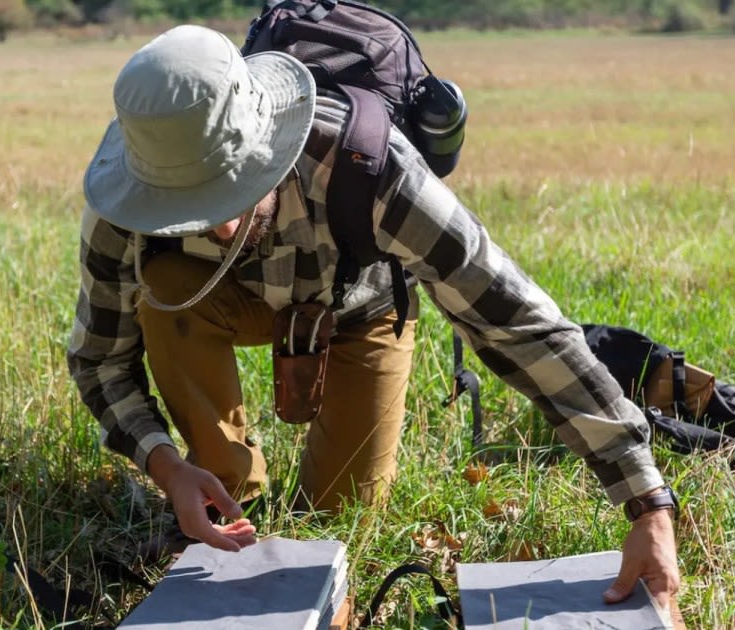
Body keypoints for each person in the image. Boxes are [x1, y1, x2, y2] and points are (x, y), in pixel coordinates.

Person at [67, 24, 681, 617]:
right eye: (190, 214)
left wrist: (647, 501)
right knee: (166, 287)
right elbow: (99, 360)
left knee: (339, 516)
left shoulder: (370, 167)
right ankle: (222, 492)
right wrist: (166, 467)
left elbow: (516, 322)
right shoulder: (126, 203)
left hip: (359, 307)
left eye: (231, 194)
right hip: (209, 304)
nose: (220, 229)